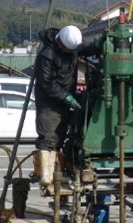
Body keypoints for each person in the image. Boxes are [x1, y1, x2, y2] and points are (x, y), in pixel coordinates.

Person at [32, 25, 97, 190]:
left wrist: (101, 43)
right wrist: (66, 97)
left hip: (65, 99)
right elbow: (47, 83)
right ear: (60, 42)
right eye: (67, 50)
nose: (70, 53)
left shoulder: (72, 48)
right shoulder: (46, 55)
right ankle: (46, 176)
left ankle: (55, 172)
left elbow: (86, 48)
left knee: (59, 138)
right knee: (48, 136)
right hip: (48, 102)